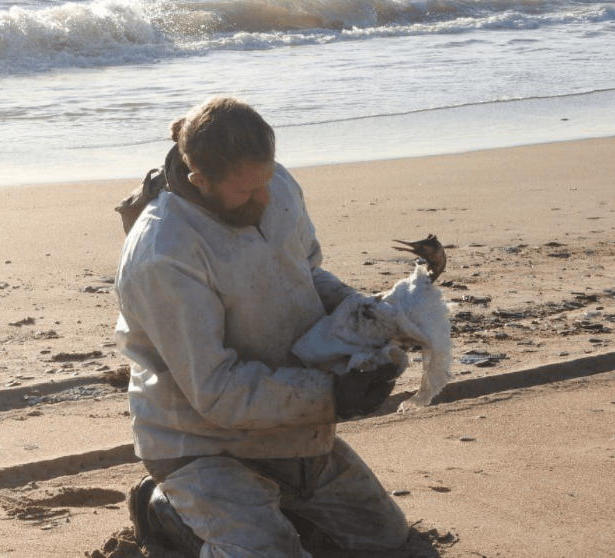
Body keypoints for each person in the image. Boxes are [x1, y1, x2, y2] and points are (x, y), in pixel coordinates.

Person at [114, 96, 408, 558]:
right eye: (246, 193)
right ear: (200, 181)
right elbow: (215, 390)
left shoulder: (276, 185)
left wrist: (363, 313)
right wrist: (331, 395)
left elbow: (308, 273)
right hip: (200, 442)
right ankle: (167, 510)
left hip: (292, 428)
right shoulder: (164, 251)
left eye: (266, 180)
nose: (264, 198)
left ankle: (276, 512)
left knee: (389, 543)